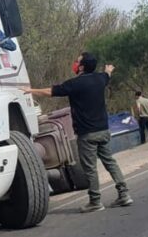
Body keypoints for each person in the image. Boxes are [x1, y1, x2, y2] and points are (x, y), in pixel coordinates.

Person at [21, 52, 133, 212]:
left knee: (90, 168)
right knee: (110, 162)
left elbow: (52, 91)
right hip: (103, 130)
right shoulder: (101, 79)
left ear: (81, 66)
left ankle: (95, 201)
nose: (75, 63)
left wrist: (30, 90)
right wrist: (109, 69)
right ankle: (124, 194)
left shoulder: (76, 84)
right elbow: (107, 75)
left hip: (87, 134)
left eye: (77, 61)